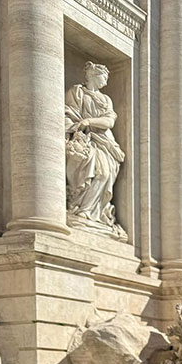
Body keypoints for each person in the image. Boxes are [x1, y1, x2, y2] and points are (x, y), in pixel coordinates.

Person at [65, 62, 126, 237]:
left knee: (105, 174)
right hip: (84, 139)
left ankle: (90, 212)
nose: (106, 83)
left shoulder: (106, 99)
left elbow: (109, 121)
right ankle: (81, 209)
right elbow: (68, 113)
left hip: (104, 141)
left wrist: (89, 122)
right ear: (93, 75)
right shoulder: (76, 92)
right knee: (92, 172)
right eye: (104, 78)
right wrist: (79, 127)